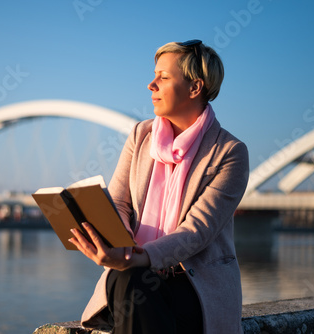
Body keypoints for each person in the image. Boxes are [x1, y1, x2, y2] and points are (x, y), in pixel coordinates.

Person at [68, 39, 249, 334]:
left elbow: (196, 232)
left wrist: (135, 257)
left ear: (195, 88)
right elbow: (119, 203)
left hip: (193, 286)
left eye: (163, 77)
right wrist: (117, 241)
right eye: (154, 75)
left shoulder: (229, 152)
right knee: (130, 279)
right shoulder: (141, 135)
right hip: (135, 276)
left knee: (131, 278)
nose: (151, 85)